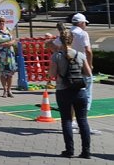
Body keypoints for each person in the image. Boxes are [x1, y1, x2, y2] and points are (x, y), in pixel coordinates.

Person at [48, 28, 92, 159]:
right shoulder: (80, 55)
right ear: (72, 40)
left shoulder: (56, 56)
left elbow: (52, 75)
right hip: (80, 91)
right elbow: (88, 73)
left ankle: (69, 150)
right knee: (83, 121)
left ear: (60, 40)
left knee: (66, 120)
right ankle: (86, 151)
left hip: (63, 91)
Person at [0, 17, 17, 97]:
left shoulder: (9, 29)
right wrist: (2, 45)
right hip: (2, 54)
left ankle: (9, 90)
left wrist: (10, 43)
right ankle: (4, 90)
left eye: (3, 21)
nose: (1, 22)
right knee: (3, 73)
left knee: (10, 73)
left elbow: (14, 39)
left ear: (5, 21)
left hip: (10, 53)